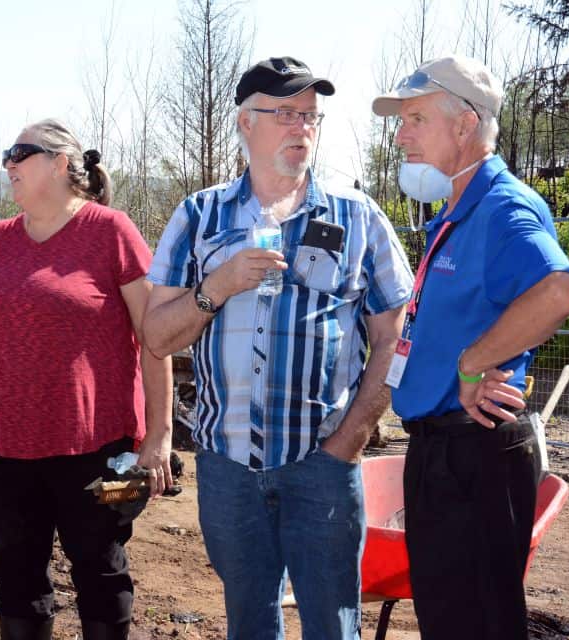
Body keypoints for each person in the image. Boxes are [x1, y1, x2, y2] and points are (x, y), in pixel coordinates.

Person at [144, 56, 414, 640]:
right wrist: (216, 286)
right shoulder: (200, 215)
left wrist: (352, 438)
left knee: (332, 624)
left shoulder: (358, 216)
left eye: (311, 117)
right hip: (227, 465)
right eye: (286, 114)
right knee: (249, 621)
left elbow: (400, 334)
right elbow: (156, 334)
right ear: (246, 123)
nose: (302, 128)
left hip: (323, 463)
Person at [373, 55, 569, 640]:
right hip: (443, 453)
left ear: (465, 125)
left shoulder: (501, 207)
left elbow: (561, 289)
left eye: (415, 118)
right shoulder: (457, 210)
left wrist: (474, 362)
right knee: (450, 621)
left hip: (476, 451)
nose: (401, 134)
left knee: (477, 625)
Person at [0, 119, 173, 640]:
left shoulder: (110, 230)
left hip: (97, 445)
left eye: (19, 153)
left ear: (60, 163)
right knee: (16, 576)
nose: (8, 165)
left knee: (101, 569)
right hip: (3, 447)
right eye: (8, 154)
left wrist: (158, 436)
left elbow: (154, 335)